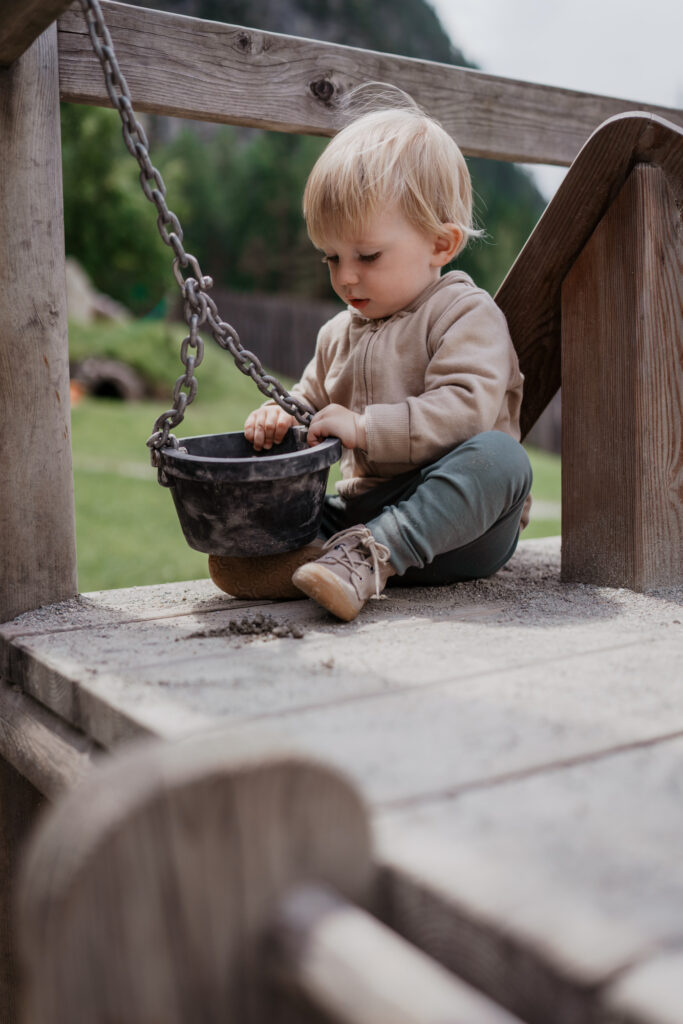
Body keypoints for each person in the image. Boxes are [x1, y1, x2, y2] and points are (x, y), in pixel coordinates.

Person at [226, 104, 532, 621]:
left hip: (459, 526)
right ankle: (327, 562)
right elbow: (310, 405)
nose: (346, 277)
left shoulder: (464, 314)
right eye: (331, 257)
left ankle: (365, 556)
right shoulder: (337, 333)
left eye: (367, 257)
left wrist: (364, 428)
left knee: (503, 459)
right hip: (361, 508)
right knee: (247, 542)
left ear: (441, 243)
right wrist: (282, 417)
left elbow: (465, 411)